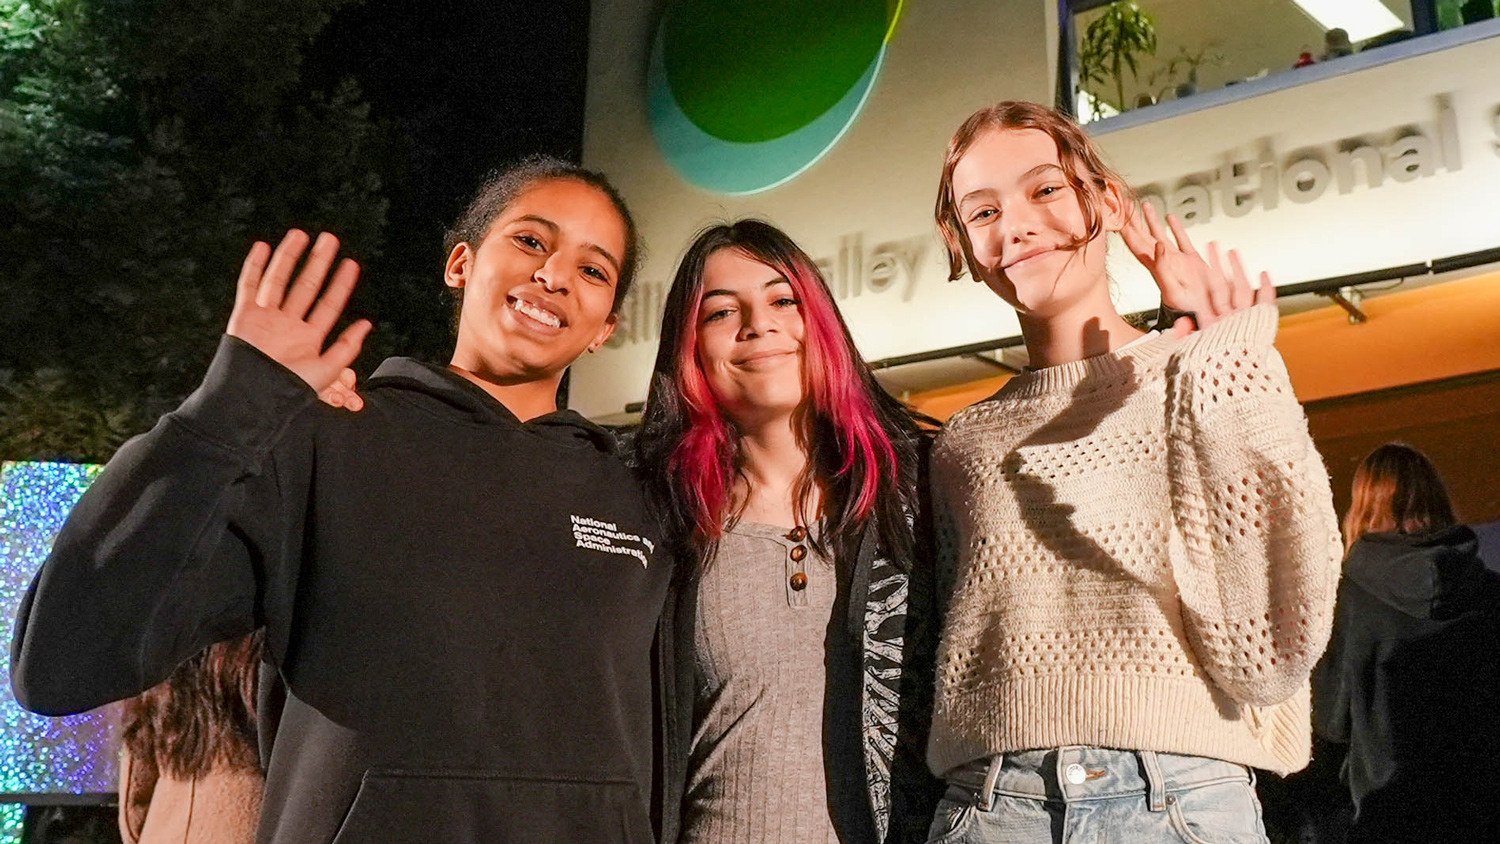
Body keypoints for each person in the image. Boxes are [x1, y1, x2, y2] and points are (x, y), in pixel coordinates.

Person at [11, 156, 673, 843]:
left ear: (606, 327)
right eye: (531, 241)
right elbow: (63, 663)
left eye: (593, 270)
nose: (555, 274)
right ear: (461, 264)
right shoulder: (325, 442)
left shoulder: (641, 501)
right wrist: (225, 411)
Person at [921, 101, 1344, 842]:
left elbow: (1274, 650)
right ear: (964, 245)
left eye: (1045, 189)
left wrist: (1226, 355)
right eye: (981, 210)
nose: (1014, 225)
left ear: (1106, 200)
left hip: (1178, 799)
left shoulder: (1208, 374)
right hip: (992, 806)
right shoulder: (965, 444)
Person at [636, 220, 944, 843]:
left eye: (783, 301)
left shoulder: (925, 494)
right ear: (688, 346)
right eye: (723, 312)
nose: (760, 325)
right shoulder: (650, 517)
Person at [1314, 443, 1500, 842]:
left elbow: (1331, 720)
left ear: (1364, 507)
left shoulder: (1354, 595)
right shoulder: (1489, 592)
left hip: (1392, 817)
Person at [118, 633, 264, 844]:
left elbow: (132, 810)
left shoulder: (163, 652)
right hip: (254, 824)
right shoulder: (269, 644)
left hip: (163, 831)